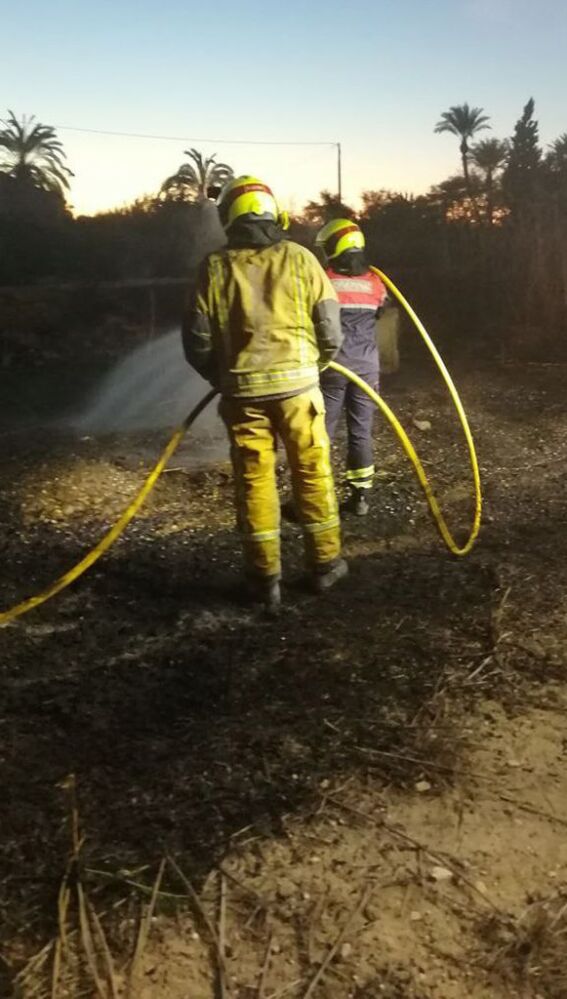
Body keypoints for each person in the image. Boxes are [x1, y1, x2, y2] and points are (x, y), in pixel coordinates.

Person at [182, 176, 348, 611]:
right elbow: (331, 329)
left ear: (228, 219)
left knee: (255, 480)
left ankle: (263, 580)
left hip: (242, 395)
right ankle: (326, 566)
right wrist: (316, 365)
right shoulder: (302, 258)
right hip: (299, 392)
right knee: (312, 472)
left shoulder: (214, 267)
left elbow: (196, 341)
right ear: (274, 214)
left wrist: (221, 377)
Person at [315, 219, 387, 516]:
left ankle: (318, 497)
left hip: (332, 366)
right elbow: (379, 312)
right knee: (361, 430)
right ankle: (360, 498)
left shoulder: (324, 281)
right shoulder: (376, 282)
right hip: (367, 368)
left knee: (322, 431)